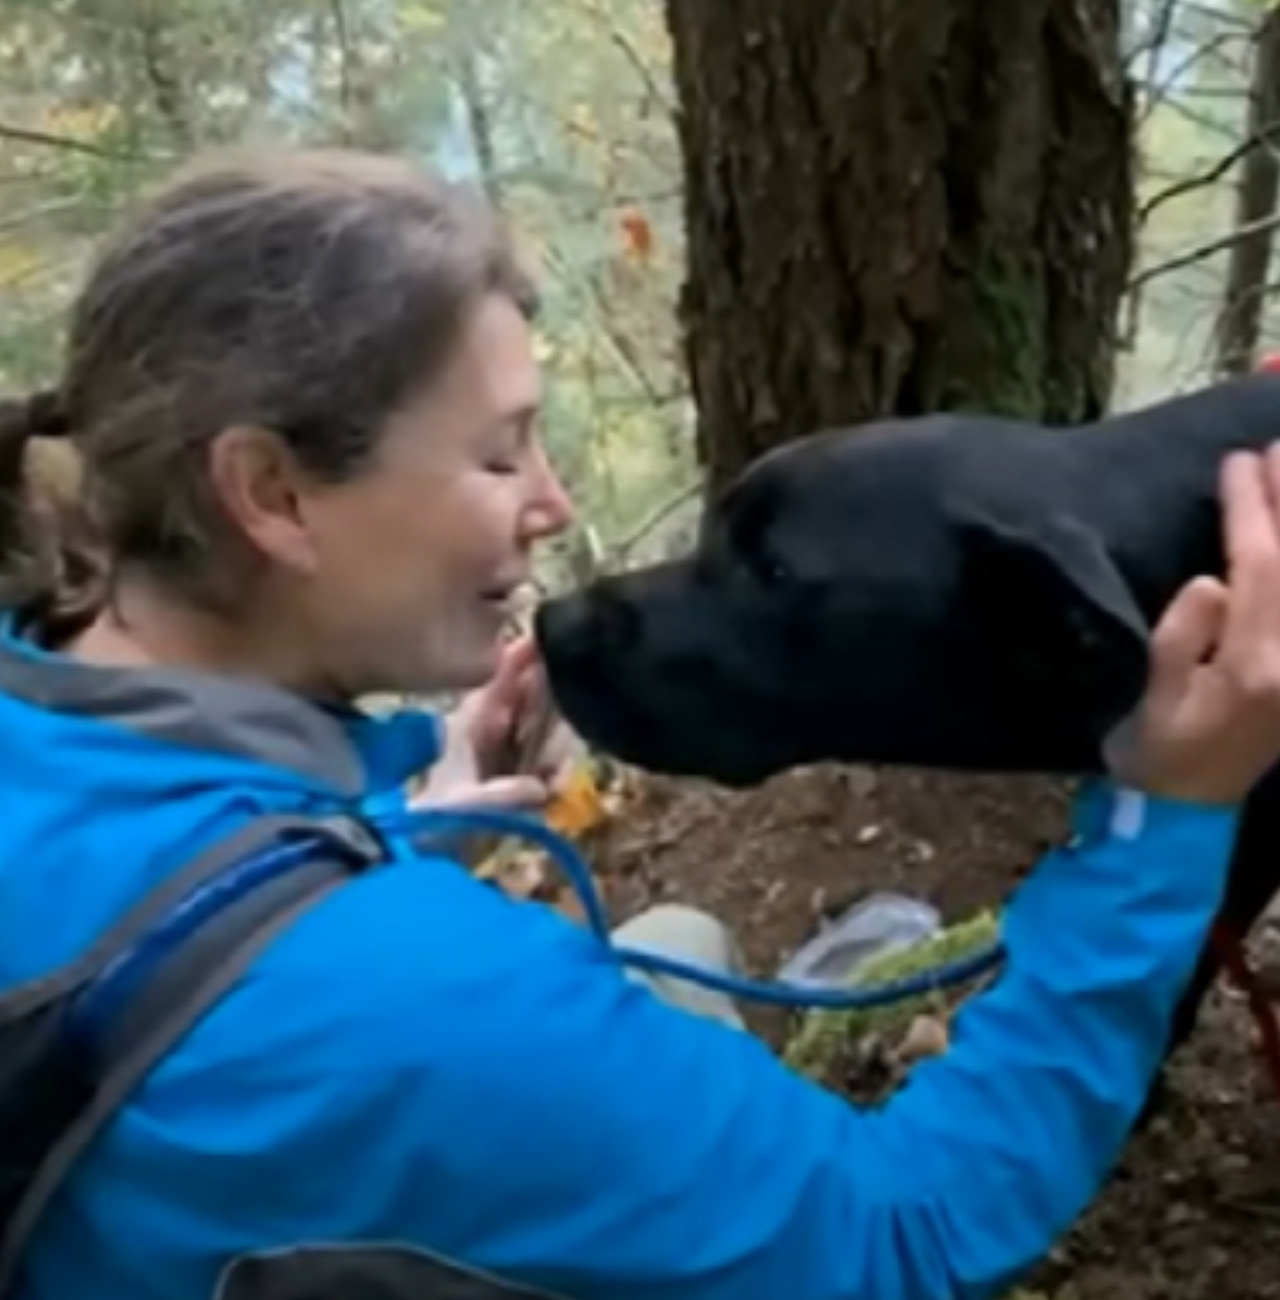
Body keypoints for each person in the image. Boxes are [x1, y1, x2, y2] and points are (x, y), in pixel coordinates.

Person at [1, 146, 1280, 1300]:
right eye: (500, 456)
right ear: (272, 492)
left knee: (671, 937)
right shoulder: (423, 1009)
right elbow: (908, 1236)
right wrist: (1158, 819)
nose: (552, 504)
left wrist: (359, 837)